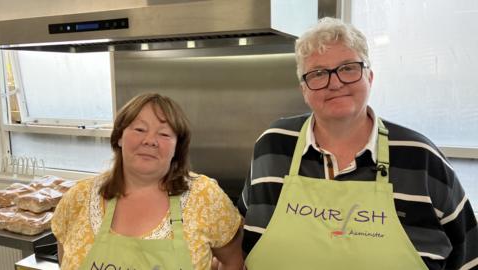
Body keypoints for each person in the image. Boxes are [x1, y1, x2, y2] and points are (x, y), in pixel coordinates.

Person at [238, 17, 478, 270]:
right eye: (318, 73)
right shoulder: (273, 146)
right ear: (304, 90)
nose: (335, 83)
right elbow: (241, 231)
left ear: (370, 77)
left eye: (348, 68)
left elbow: (469, 257)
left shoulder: (420, 158)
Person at [52, 93, 243, 270]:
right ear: (119, 136)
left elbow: (233, 260)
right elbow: (64, 256)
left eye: (164, 134)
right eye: (140, 129)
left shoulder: (205, 197)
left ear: (177, 147)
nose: (150, 140)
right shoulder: (79, 197)